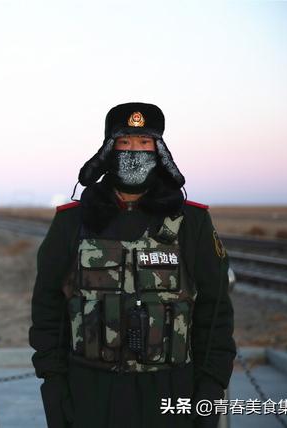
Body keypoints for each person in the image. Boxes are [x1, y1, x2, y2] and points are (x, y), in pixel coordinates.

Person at [29, 102, 236, 428]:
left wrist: (210, 389)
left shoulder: (192, 222)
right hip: (90, 391)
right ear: (108, 150)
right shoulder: (72, 222)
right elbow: (47, 309)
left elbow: (215, 315)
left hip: (172, 390)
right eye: (124, 141)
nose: (134, 151)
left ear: (160, 150)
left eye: (144, 142)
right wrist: (53, 387)